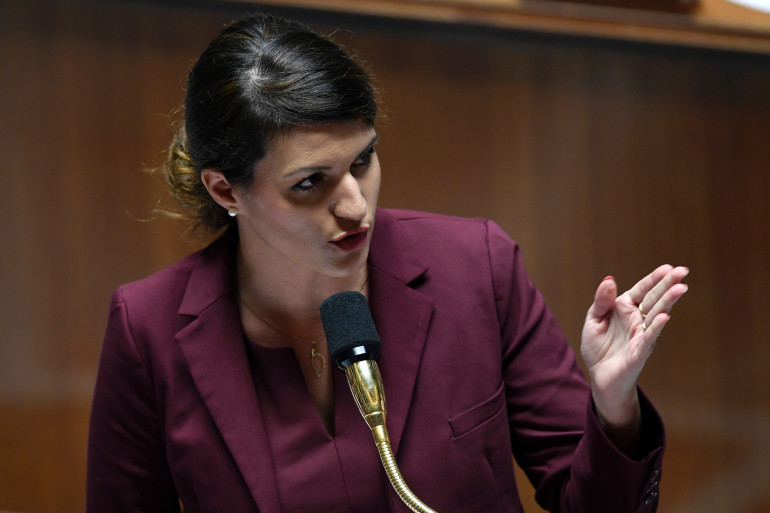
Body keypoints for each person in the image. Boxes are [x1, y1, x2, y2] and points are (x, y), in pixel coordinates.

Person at [86, 11, 688, 513]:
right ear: (225, 190)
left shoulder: (476, 268)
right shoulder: (149, 329)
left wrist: (613, 409)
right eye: (309, 183)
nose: (354, 206)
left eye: (363, 161)